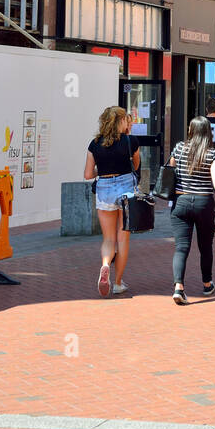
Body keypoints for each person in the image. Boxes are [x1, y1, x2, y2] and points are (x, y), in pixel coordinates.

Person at [168, 116, 215, 304]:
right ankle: (207, 283)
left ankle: (179, 287)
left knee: (181, 247)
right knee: (205, 246)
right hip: (204, 203)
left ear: (190, 131)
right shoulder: (213, 154)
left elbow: (170, 170)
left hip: (181, 201)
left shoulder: (179, 148)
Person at [84, 106, 140, 297]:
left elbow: (88, 174)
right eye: (126, 120)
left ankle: (106, 264)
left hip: (104, 187)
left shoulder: (95, 144)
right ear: (121, 121)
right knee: (123, 238)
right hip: (126, 187)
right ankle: (117, 283)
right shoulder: (130, 141)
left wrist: (104, 170)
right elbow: (136, 164)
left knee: (108, 238)